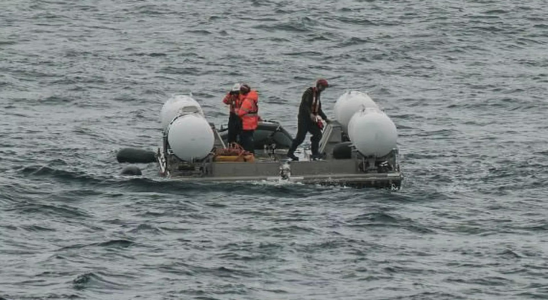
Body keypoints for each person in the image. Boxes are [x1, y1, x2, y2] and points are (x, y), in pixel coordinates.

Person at [287, 79, 331, 161]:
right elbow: (304, 105)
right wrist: (310, 114)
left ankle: (315, 153)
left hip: (312, 120)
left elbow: (319, 109)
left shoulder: (318, 96)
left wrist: (325, 118)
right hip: (304, 119)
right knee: (300, 138)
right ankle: (290, 152)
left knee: (318, 134)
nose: (324, 89)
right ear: (319, 85)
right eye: (323, 87)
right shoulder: (308, 92)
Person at [236, 84, 259, 154]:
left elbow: (240, 113)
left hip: (246, 123)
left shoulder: (247, 101)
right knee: (249, 138)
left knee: (246, 140)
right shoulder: (252, 99)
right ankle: (250, 152)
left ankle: (249, 153)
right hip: (252, 122)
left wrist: (236, 111)